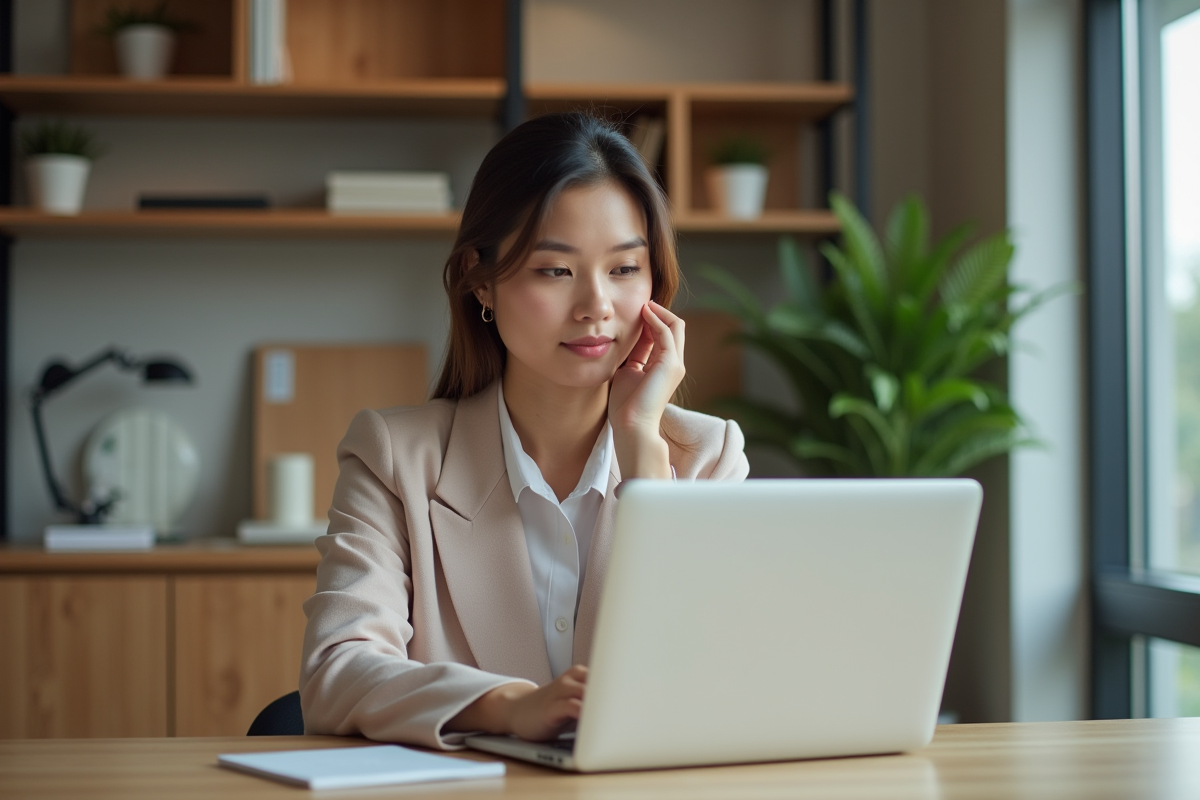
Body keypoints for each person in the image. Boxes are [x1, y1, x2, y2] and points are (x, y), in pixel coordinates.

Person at [299, 112, 750, 750]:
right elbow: (334, 674)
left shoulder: (705, 458)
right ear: (480, 280)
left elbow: (720, 678)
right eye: (555, 271)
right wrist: (508, 706)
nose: (597, 305)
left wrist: (644, 451)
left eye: (625, 269)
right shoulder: (395, 458)